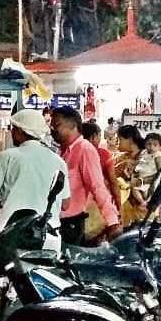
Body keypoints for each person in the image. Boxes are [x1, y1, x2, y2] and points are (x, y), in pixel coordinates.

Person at [0, 110, 70, 251]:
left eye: (13, 129)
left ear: (20, 131)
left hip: (13, 234)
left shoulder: (8, 156)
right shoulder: (58, 161)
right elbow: (65, 204)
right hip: (49, 236)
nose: (12, 133)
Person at [50, 106, 121, 248]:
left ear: (73, 126)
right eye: (51, 125)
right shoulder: (60, 151)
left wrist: (112, 222)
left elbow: (97, 187)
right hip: (56, 222)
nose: (52, 130)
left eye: (56, 125)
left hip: (71, 225)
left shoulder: (85, 150)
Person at [81, 122, 121, 211]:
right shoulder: (103, 154)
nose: (100, 139)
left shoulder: (71, 153)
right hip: (97, 201)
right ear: (93, 137)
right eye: (99, 136)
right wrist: (118, 203)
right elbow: (112, 181)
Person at [130, 132, 161, 210]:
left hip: (150, 180)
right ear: (145, 144)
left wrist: (147, 180)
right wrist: (134, 171)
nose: (151, 147)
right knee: (134, 190)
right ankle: (142, 202)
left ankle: (146, 204)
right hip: (140, 176)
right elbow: (138, 162)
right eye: (149, 144)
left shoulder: (158, 156)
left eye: (155, 145)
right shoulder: (143, 152)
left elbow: (160, 172)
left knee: (147, 194)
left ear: (160, 147)